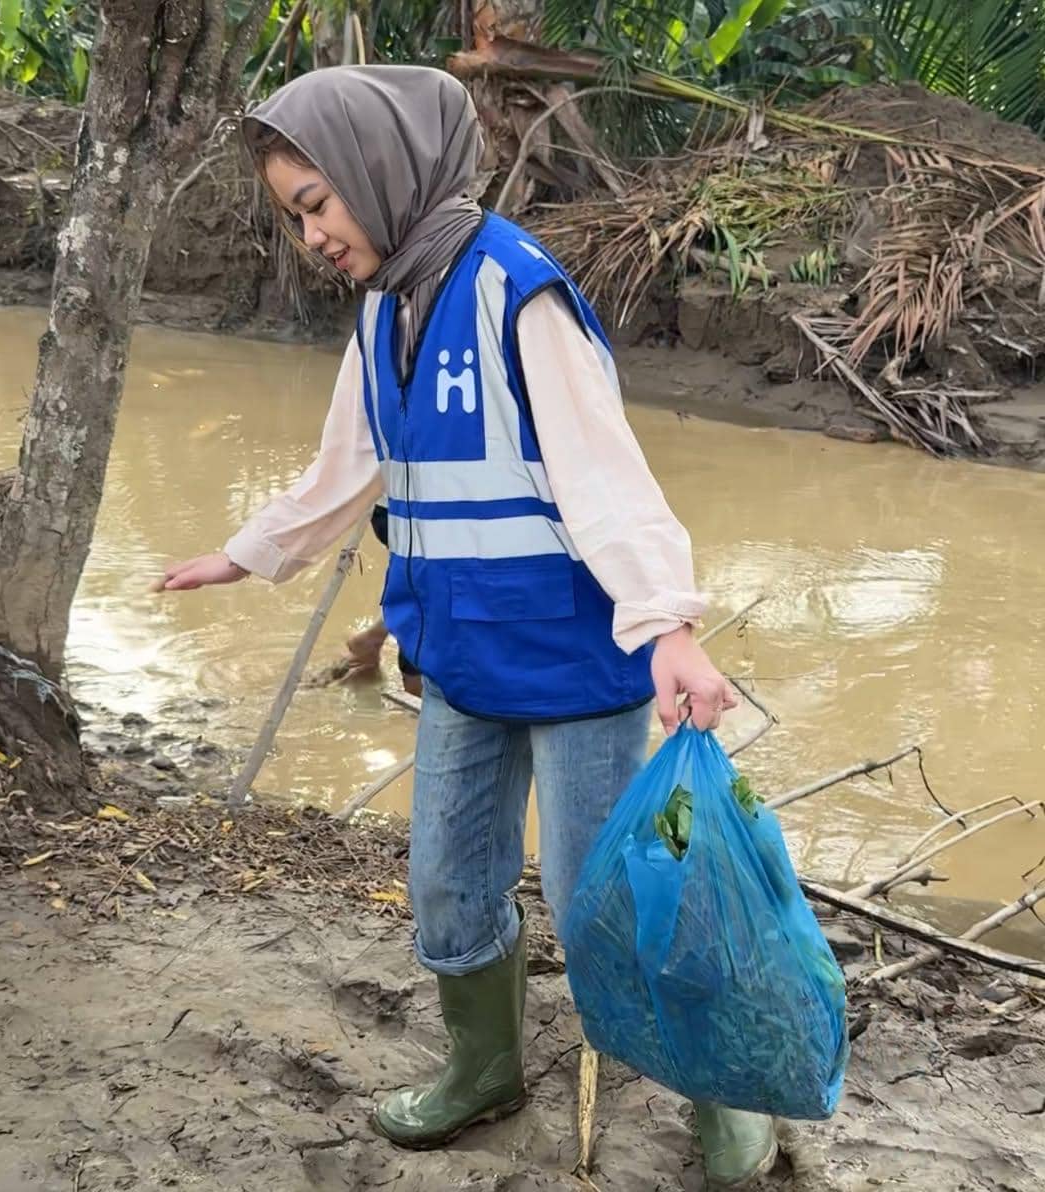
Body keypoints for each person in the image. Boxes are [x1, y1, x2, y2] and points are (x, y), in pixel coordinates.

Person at [156, 66, 776, 1186]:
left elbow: (608, 480)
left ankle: (722, 1084)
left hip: (580, 670)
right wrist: (244, 556)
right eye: (295, 215)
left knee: (615, 897)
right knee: (447, 879)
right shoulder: (385, 307)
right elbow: (345, 470)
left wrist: (670, 628)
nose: (310, 235)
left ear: (383, 172)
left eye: (316, 204)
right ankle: (484, 1065)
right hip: (459, 667)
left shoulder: (515, 292)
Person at [338, 500, 423, 696]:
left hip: (393, 506)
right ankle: (417, 684)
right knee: (428, 579)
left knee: (419, 574)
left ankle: (373, 637)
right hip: (418, 507)